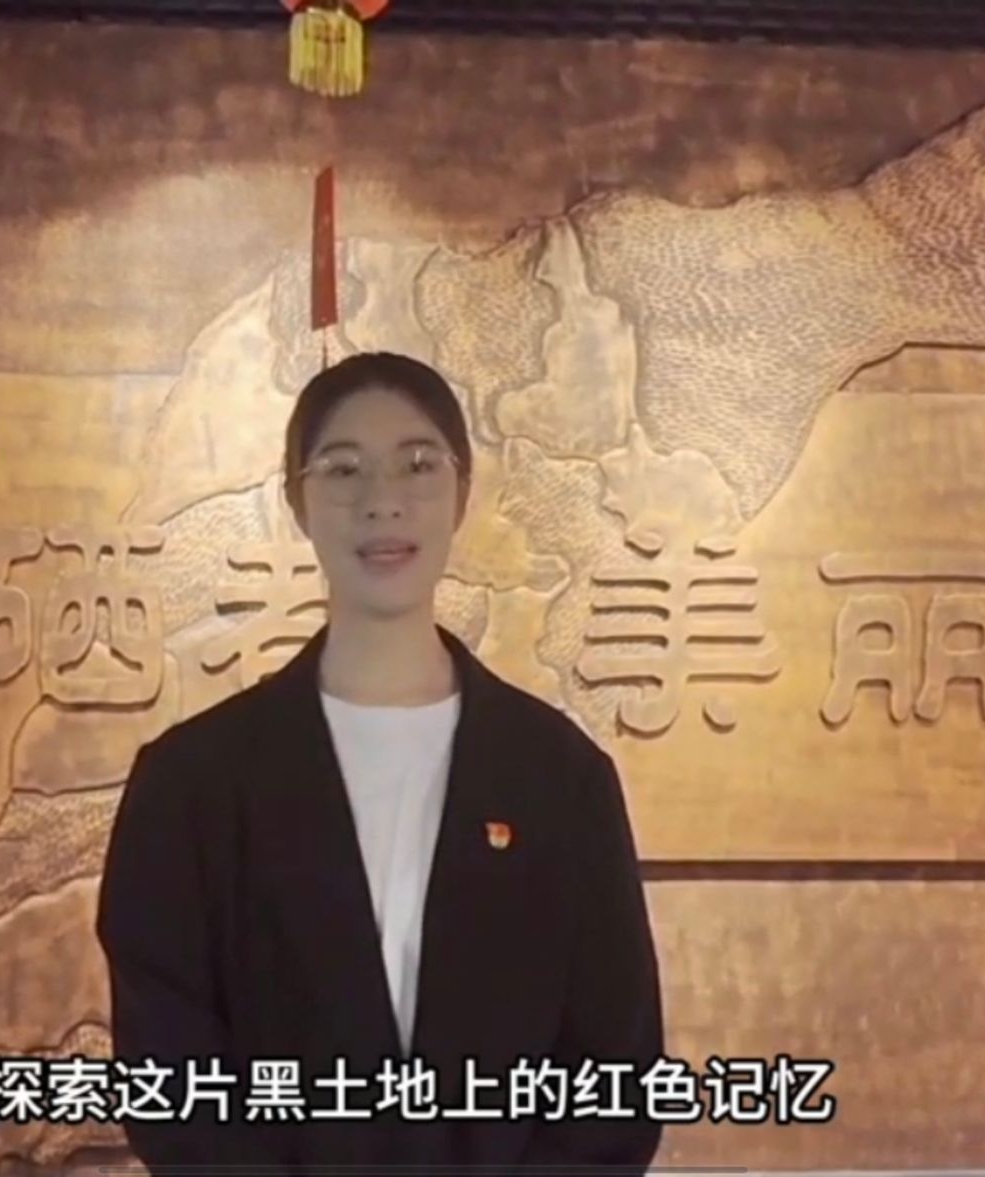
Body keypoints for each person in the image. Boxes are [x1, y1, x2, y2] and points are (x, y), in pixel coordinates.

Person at [96, 351, 665, 1174]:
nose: (382, 500)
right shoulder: (191, 783)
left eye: (417, 463)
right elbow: (170, 1081)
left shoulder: (561, 779)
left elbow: (615, 1079)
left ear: (462, 491)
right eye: (343, 468)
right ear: (297, 501)